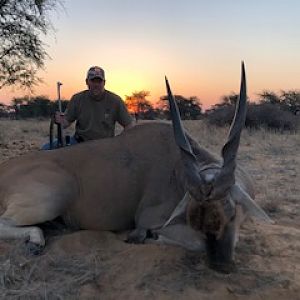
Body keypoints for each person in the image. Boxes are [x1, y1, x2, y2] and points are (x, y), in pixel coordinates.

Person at [42, 66, 133, 149]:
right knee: (45, 148)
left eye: (99, 81)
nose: (96, 84)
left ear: (104, 82)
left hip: (105, 147)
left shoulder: (115, 100)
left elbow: (129, 125)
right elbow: (66, 122)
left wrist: (118, 143)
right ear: (87, 82)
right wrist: (59, 120)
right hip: (80, 143)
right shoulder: (77, 98)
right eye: (93, 81)